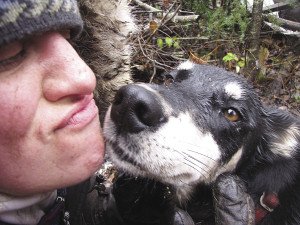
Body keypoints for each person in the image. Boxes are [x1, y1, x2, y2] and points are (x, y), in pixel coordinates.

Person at [0, 1, 254, 225]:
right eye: (9, 54)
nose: (86, 76)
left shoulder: (60, 172)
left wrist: (114, 214)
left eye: (69, 38)